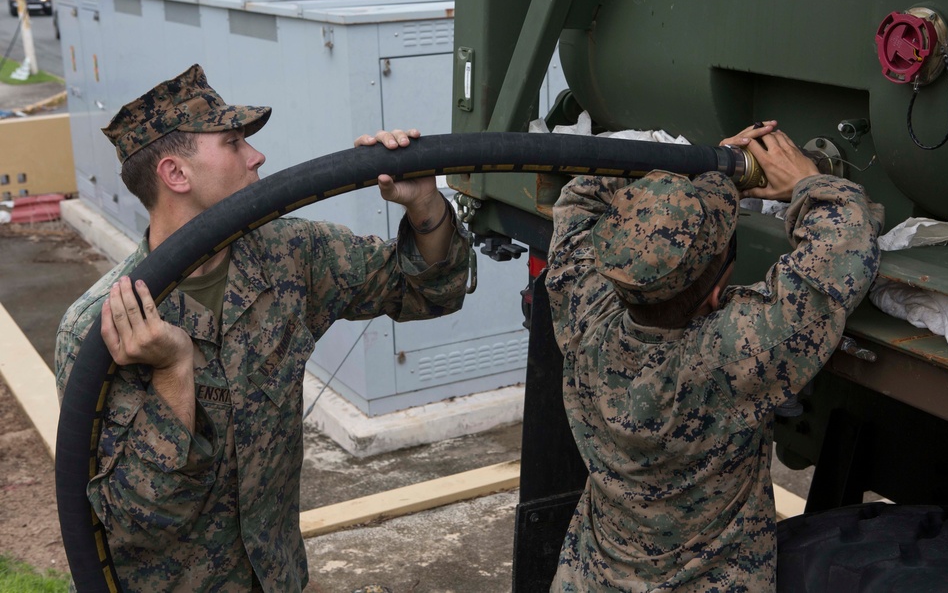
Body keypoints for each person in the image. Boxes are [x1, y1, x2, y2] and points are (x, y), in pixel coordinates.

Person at [55, 64, 470, 591]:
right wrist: (173, 375)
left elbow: (430, 290)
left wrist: (424, 204)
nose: (257, 155)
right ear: (175, 175)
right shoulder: (101, 328)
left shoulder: (289, 255)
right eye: (233, 143)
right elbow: (136, 525)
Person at [545, 121, 884, 591]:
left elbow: (580, 198)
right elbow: (845, 249)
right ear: (717, 292)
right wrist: (805, 179)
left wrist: (701, 170)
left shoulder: (585, 316)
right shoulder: (731, 358)